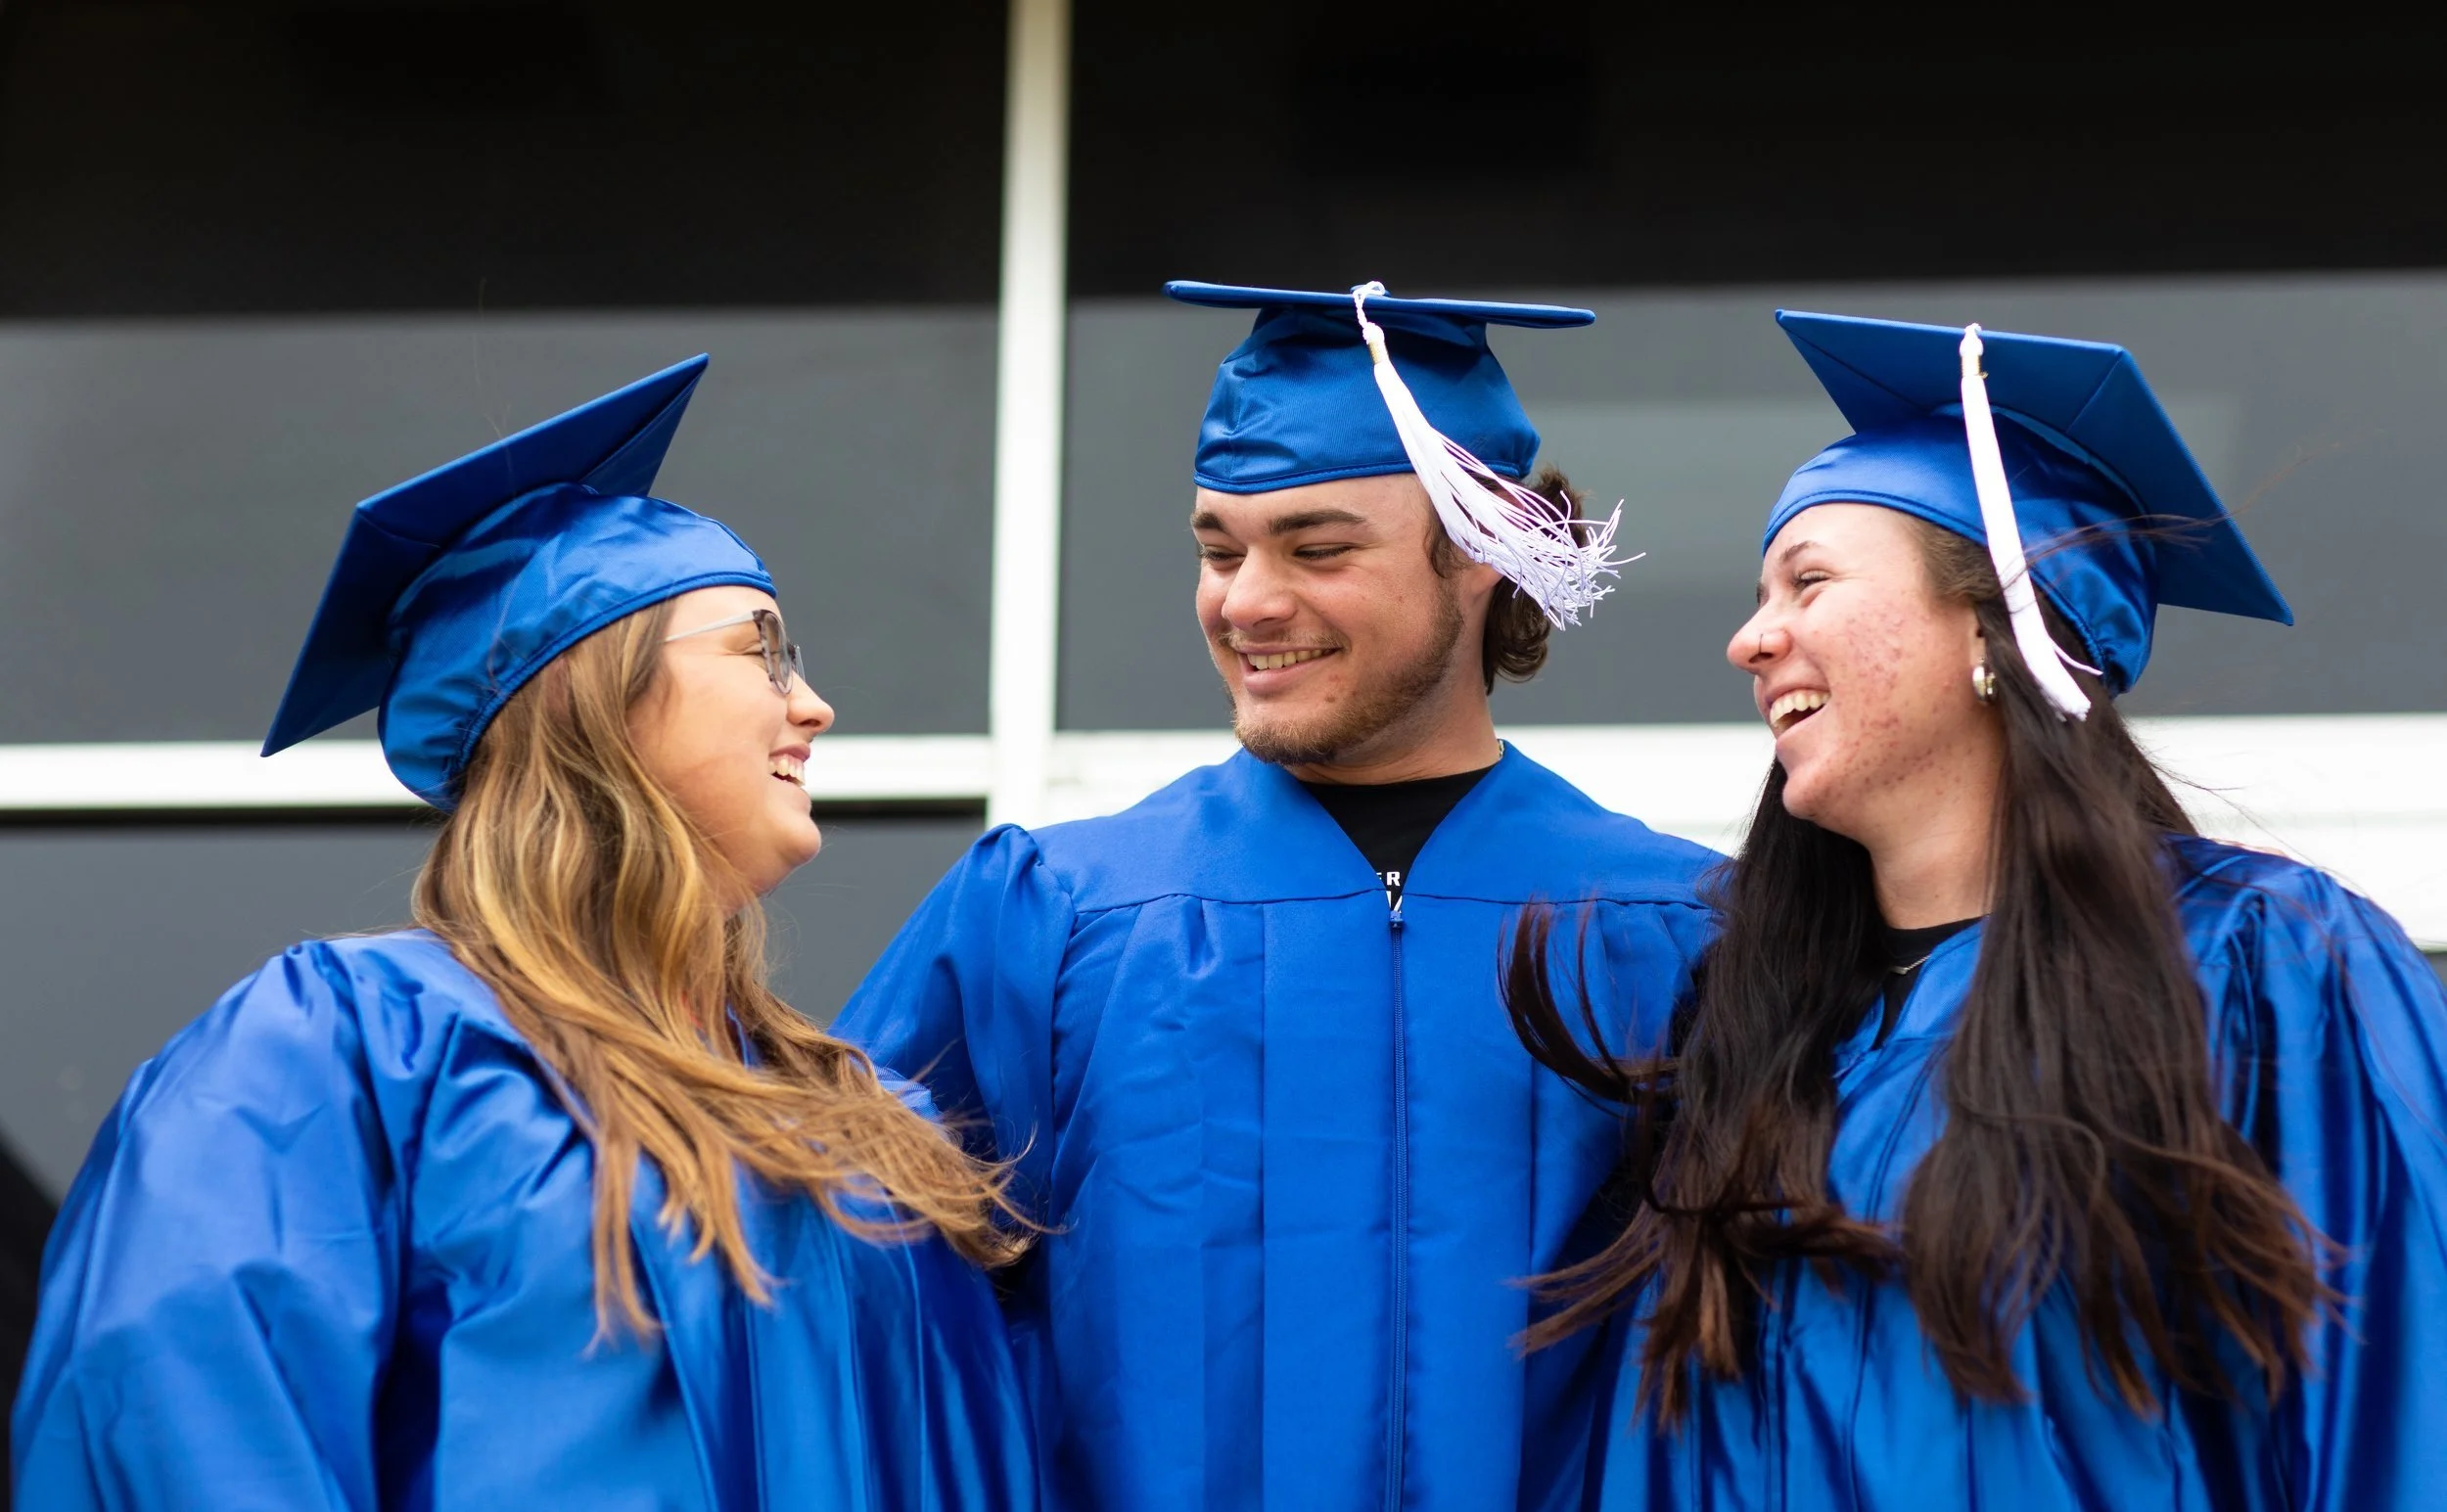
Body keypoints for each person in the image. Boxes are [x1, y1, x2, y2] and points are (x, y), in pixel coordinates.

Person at [12, 357, 1039, 1510]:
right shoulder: (348, 1055)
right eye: (762, 650)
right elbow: (186, 1420)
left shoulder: (869, 1131)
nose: (812, 703)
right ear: (586, 695)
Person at [1508, 312, 2447, 1509]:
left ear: (1993, 634)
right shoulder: (1746, 1028)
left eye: (1808, 582)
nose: (1750, 639)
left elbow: (2394, 1409)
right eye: (1759, 594)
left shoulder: (2259, 966)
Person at [836, 281, 1720, 1510]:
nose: (1244, 601)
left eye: (1317, 547)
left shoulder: (1676, 934)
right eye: (1218, 548)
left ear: (1483, 550)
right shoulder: (1056, 914)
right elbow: (847, 1291)